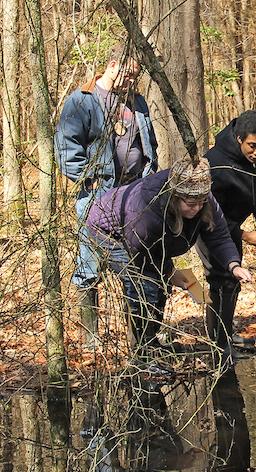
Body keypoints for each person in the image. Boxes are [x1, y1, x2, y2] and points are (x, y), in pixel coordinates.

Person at [86, 158, 252, 362]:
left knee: (160, 284)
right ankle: (142, 355)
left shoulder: (203, 198)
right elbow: (142, 253)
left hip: (145, 243)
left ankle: (152, 341)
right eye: (191, 204)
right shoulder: (146, 209)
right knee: (143, 285)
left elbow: (219, 236)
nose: (197, 209)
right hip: (110, 231)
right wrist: (170, 271)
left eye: (201, 203)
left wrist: (233, 265)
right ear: (175, 197)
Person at [55, 42, 159, 347]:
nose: (131, 81)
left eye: (135, 77)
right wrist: (90, 180)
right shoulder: (82, 100)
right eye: (127, 75)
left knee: (136, 262)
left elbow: (148, 143)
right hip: (97, 195)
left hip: (135, 195)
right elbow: (67, 150)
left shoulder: (137, 101)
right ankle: (91, 338)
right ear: (112, 66)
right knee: (90, 264)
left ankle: (138, 336)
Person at [195, 110, 256, 359]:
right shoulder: (216, 164)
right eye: (253, 146)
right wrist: (242, 234)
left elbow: (253, 184)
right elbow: (208, 214)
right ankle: (219, 345)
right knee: (221, 280)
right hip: (208, 225)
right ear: (239, 138)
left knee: (232, 282)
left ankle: (225, 335)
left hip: (234, 223)